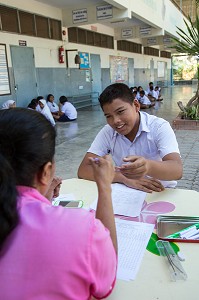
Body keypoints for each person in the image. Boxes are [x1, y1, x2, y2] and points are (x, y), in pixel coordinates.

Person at [0, 108, 117, 300]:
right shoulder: (81, 229)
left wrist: (41, 200)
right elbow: (106, 280)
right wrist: (104, 186)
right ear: (46, 171)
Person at [78, 83, 183, 193]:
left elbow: (177, 169)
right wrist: (122, 178)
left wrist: (148, 166)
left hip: (161, 192)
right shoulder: (108, 132)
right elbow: (83, 170)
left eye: (120, 112)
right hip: (127, 192)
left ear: (136, 106)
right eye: (108, 116)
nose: (115, 121)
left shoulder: (159, 127)